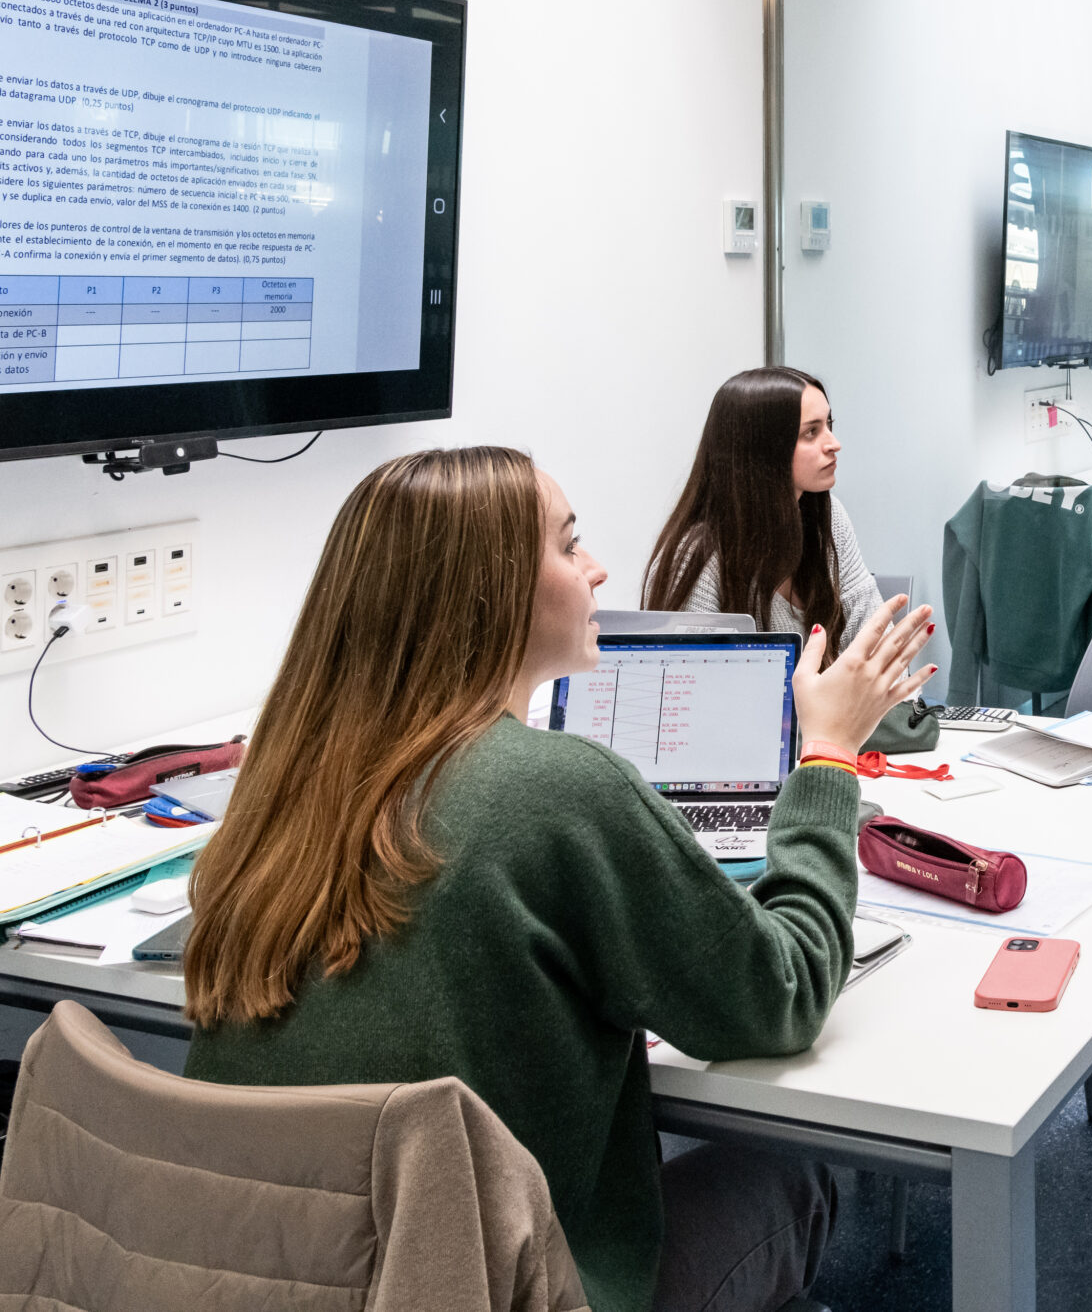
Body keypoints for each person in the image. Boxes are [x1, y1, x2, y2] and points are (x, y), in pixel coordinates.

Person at [182, 447, 937, 1312]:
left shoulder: (275, 792)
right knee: (790, 1171)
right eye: (569, 545)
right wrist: (830, 755)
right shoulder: (558, 790)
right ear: (489, 591)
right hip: (495, 1287)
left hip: (266, 1277)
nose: (597, 568)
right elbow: (783, 995)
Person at [645, 365, 880, 640]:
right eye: (811, 433)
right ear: (762, 449)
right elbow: (695, 679)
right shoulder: (696, 556)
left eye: (828, 425)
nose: (834, 443)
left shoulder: (828, 517)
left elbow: (873, 633)